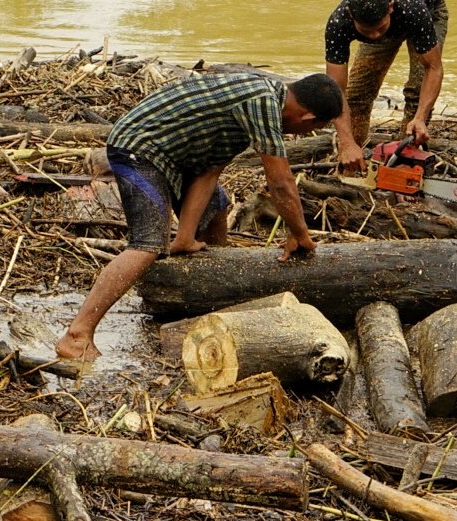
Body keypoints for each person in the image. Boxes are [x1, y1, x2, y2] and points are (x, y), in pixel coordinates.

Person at [54, 71, 344, 362]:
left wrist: (185, 238)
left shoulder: (255, 107)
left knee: (217, 205)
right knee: (147, 245)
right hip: (139, 149)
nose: (298, 135)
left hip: (177, 157)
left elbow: (209, 172)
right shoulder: (263, 102)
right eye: (307, 131)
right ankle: (77, 335)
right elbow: (280, 182)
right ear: (308, 119)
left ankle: (203, 304)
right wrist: (300, 234)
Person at [323, 0, 448, 173]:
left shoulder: (412, 9)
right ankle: (355, 160)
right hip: (391, 18)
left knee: (416, 93)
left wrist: (420, 117)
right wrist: (346, 143)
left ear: (390, 8)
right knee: (358, 94)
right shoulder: (339, 23)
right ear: (351, 15)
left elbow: (433, 68)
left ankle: (405, 159)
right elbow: (336, 90)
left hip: (428, 12)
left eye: (379, 29)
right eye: (366, 31)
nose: (373, 36)